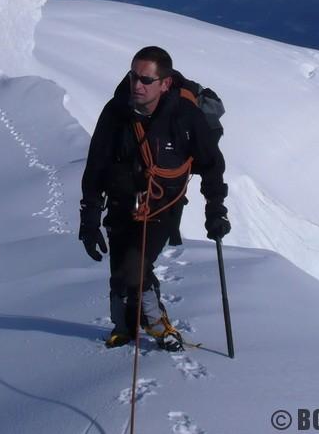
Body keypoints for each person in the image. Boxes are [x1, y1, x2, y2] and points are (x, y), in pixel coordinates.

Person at [78, 46, 230, 350]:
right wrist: (90, 217)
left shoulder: (186, 117)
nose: (138, 85)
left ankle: (157, 324)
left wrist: (215, 210)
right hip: (121, 205)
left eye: (147, 80)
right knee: (119, 272)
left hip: (163, 207)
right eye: (134, 76)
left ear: (165, 83)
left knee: (135, 269)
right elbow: (96, 166)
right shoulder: (115, 113)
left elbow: (211, 165)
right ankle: (123, 327)